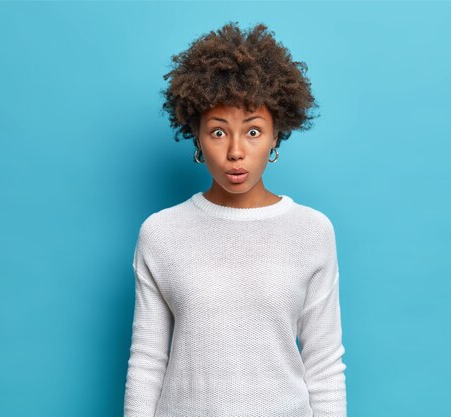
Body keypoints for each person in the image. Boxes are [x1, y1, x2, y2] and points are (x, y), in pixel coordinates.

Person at [124, 21, 347, 417]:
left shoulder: (312, 232)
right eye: (218, 132)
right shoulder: (160, 234)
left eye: (254, 131)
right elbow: (147, 362)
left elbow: (324, 366)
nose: (236, 152)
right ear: (196, 135)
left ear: (277, 133)